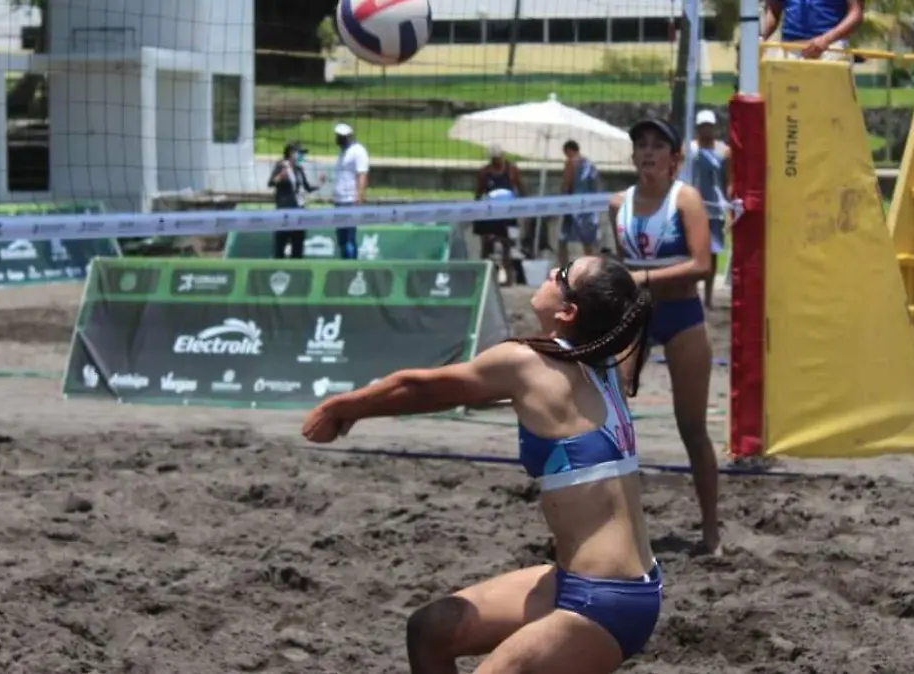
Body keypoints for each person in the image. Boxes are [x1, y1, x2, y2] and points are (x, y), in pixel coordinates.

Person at [303, 253, 663, 673]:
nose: (549, 271)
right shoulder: (601, 361)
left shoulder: (528, 363)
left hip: (605, 602)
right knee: (431, 630)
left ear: (568, 311)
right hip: (586, 582)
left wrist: (342, 408)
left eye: (561, 274)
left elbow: (418, 388)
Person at [608, 117, 722, 555]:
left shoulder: (686, 199)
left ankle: (711, 532)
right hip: (636, 317)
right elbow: (624, 271)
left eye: (658, 145)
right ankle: (617, 527)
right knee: (611, 422)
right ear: (633, 156)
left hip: (681, 316)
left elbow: (701, 266)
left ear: (674, 159)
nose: (649, 152)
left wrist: (641, 278)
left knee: (692, 427)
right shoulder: (618, 203)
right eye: (642, 145)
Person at [688, 110, 731, 310]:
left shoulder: (722, 150)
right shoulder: (690, 149)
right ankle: (691, 295)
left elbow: (726, 180)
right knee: (691, 252)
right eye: (703, 125)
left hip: (715, 209)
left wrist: (729, 206)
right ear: (697, 127)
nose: (706, 129)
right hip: (692, 208)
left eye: (710, 125)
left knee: (712, 253)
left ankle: (708, 297)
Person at [474, 145, 524, 286]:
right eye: (494, 159)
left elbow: (521, 189)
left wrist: (524, 209)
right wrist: (476, 212)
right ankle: (485, 278)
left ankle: (509, 279)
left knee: (506, 245)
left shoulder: (512, 170)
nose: (496, 161)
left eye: (498, 159)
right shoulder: (484, 172)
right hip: (489, 214)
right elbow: (478, 193)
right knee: (486, 246)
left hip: (506, 215)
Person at [761, 0, 864, 61]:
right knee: (783, 95)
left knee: (827, 97)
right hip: (789, 48)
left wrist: (826, 39)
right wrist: (761, 37)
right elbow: (773, 11)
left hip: (830, 48)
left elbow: (856, 14)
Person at [271, 141, 320, 259]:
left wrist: (319, 184)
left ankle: (297, 269)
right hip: (284, 211)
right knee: (280, 245)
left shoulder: (299, 169)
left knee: (298, 244)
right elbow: (271, 182)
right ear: (291, 153)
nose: (302, 156)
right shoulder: (281, 166)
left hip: (299, 210)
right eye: (300, 153)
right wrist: (280, 177)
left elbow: (306, 187)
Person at [558, 140, 602, 268]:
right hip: (588, 206)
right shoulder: (589, 164)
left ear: (569, 151)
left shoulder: (571, 163)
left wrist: (561, 199)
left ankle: (564, 268)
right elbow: (596, 185)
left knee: (563, 240)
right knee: (587, 241)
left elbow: (567, 183)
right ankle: (591, 268)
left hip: (573, 205)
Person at [331, 122, 370, 259]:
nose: (337, 139)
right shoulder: (342, 152)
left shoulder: (358, 151)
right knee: (341, 237)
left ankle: (351, 266)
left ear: (348, 137)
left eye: (340, 136)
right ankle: (343, 263)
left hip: (349, 200)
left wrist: (359, 196)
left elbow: (362, 174)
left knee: (349, 237)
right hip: (339, 200)